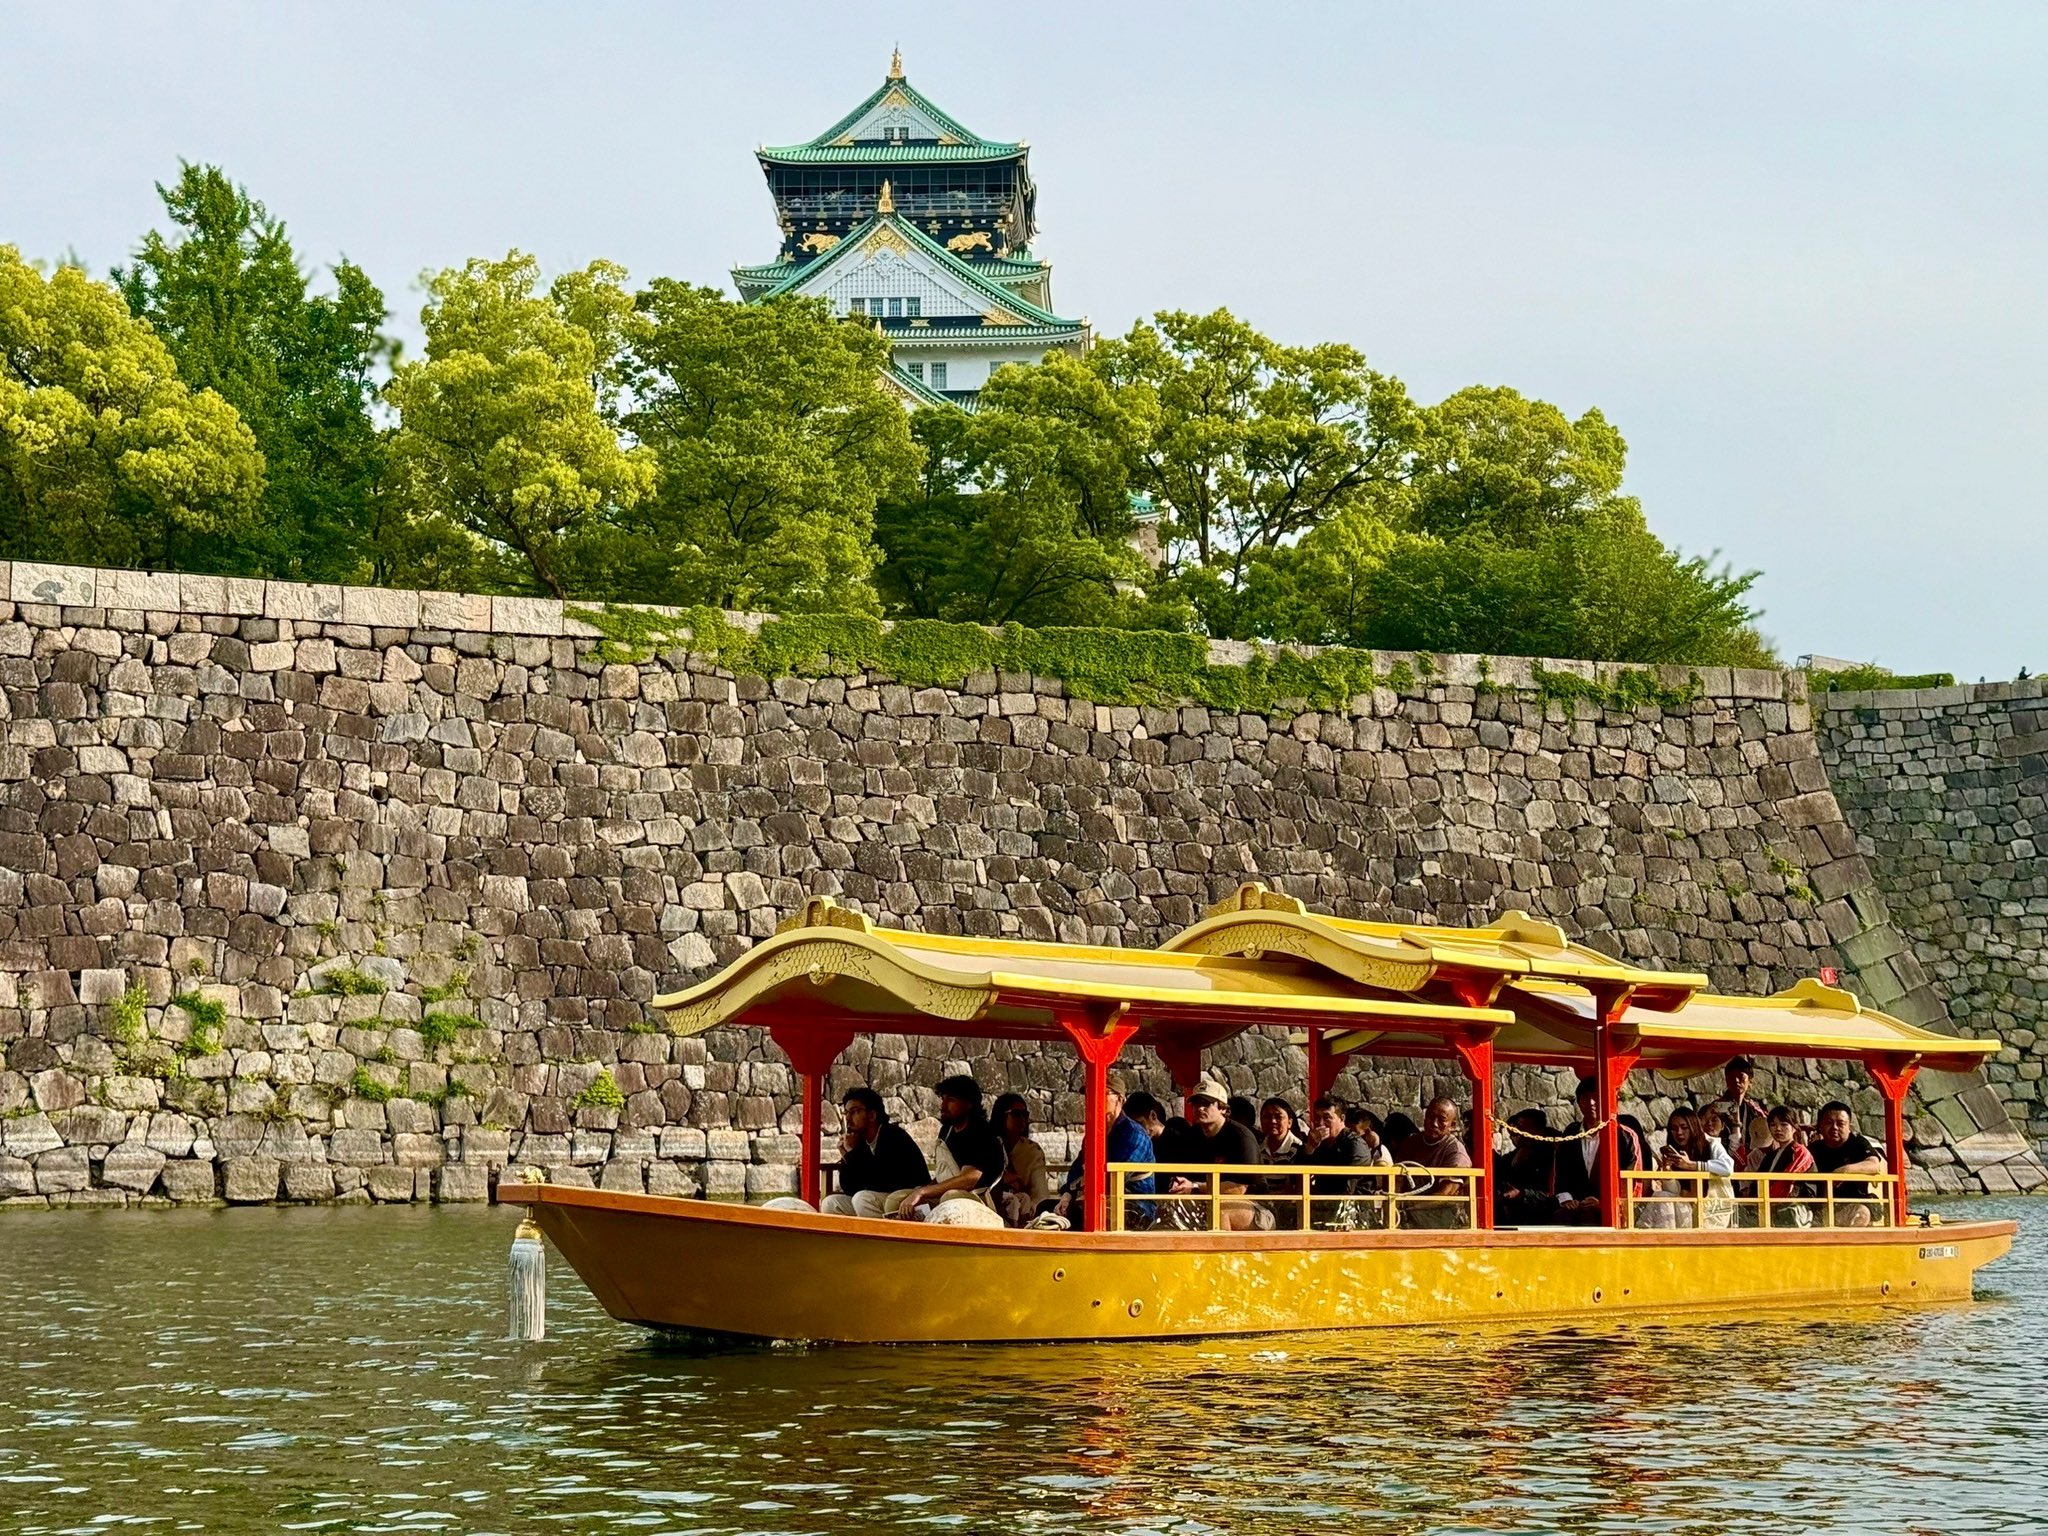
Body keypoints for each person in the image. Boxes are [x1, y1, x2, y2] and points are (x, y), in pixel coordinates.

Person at [886, 1075, 1007, 1221]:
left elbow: (969, 1179)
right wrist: (921, 1191)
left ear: (969, 1104)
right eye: (943, 1099)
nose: (943, 1106)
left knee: (951, 1198)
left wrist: (923, 1192)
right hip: (945, 1195)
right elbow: (944, 1175)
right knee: (896, 1200)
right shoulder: (947, 1131)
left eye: (951, 1100)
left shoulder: (982, 1133)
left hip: (978, 1201)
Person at [1166, 1075, 1269, 1231]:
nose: (1199, 1108)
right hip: (1206, 1201)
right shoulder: (1191, 1136)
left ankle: (1220, 1255)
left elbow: (1239, 1189)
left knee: (1220, 1209)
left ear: (1222, 1108)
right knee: (1170, 1207)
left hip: (1257, 1207)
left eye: (1206, 1104)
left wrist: (1194, 1187)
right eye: (1196, 1104)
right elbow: (1184, 1174)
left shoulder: (1241, 1137)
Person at [1049, 1081, 1156, 1229]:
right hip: (1097, 1199)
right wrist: (1067, 1195)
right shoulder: (1094, 1133)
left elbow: (1117, 1175)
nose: (1093, 1099)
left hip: (1134, 1206)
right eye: (1089, 1095)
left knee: (1085, 1213)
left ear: (1120, 1099)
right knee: (1046, 1208)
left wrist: (1082, 1190)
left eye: (1102, 1093)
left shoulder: (1135, 1134)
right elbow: (1078, 1167)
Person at [821, 1087, 931, 1218]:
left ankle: (881, 1237)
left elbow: (881, 1180)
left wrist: (852, 1153)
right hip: (879, 1198)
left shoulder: (893, 1136)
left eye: (854, 1112)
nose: (848, 1118)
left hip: (905, 1198)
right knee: (831, 1203)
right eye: (846, 1113)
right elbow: (850, 1188)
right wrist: (846, 1156)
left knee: (862, 1199)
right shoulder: (860, 1141)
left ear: (872, 1115)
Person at [1551, 1076, 1645, 1226]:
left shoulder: (1624, 1135)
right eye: (1586, 1098)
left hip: (1610, 1208)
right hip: (1575, 1205)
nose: (1591, 1103)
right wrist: (1566, 1199)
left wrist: (1604, 1203)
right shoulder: (1571, 1133)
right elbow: (1559, 1173)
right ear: (1579, 1103)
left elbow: (1632, 1179)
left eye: (1596, 1097)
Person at [1645, 1107, 1736, 1228]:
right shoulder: (1678, 1152)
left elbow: (1728, 1167)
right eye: (1674, 1128)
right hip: (1688, 1210)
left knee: (1661, 1198)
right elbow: (1673, 1193)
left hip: (1712, 1214)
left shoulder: (1711, 1145)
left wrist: (1692, 1165)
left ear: (1693, 1127)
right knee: (1662, 1196)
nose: (1679, 1132)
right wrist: (1667, 1171)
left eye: (1684, 1127)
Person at [1395, 1097, 1475, 1229]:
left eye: (1442, 1120)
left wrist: (1407, 1206)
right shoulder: (1411, 1143)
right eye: (1430, 1117)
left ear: (1452, 1125)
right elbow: (1397, 1178)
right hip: (1407, 1217)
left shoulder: (1455, 1151)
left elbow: (1446, 1193)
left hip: (1443, 1220)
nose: (1434, 1124)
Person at [1300, 1094, 1377, 1227]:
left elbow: (1348, 1188)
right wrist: (1310, 1148)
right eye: (1317, 1118)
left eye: (1327, 1117)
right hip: (1321, 1209)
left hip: (1353, 1214)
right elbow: (1298, 1175)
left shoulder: (1356, 1145)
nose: (1321, 1123)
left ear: (1342, 1118)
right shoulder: (1320, 1144)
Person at [1809, 1100, 1886, 1226]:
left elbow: (1874, 1164)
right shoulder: (1814, 1148)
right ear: (1821, 1126)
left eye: (1840, 1124)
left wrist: (1844, 1170)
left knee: (1861, 1213)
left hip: (1851, 1203)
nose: (1834, 1127)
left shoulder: (1857, 1143)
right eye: (1829, 1123)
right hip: (1820, 1206)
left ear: (1849, 1126)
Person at [989, 1092, 1054, 1226]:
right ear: (1001, 1116)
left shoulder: (1032, 1152)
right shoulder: (988, 1145)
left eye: (1025, 1115)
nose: (1022, 1119)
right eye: (1016, 1114)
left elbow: (1040, 1195)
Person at [1749, 1104, 1817, 1225]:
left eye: (1784, 1124)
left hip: (1790, 1209)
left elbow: (1788, 1183)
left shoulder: (1800, 1152)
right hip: (1769, 1208)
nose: (1778, 1129)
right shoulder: (1771, 1155)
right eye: (1773, 1125)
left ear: (1794, 1127)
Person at [1495, 1108, 1558, 1227]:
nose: (1518, 1132)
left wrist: (1521, 1194)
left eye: (1523, 1128)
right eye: (1517, 1127)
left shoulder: (1552, 1154)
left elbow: (1553, 1193)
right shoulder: (1512, 1156)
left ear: (1538, 1131)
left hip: (1541, 1217)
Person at [1704, 1056, 1767, 1163]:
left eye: (1741, 1077)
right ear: (1726, 1080)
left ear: (1750, 1081)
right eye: (1732, 1077)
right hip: (1719, 1160)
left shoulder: (1755, 1111)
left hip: (1749, 1164)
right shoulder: (1715, 1108)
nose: (1736, 1080)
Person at [1259, 1098, 1304, 1163]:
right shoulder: (1257, 1147)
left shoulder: (1298, 1149)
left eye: (1278, 1117)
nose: (1273, 1121)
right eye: (1267, 1117)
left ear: (1289, 1123)